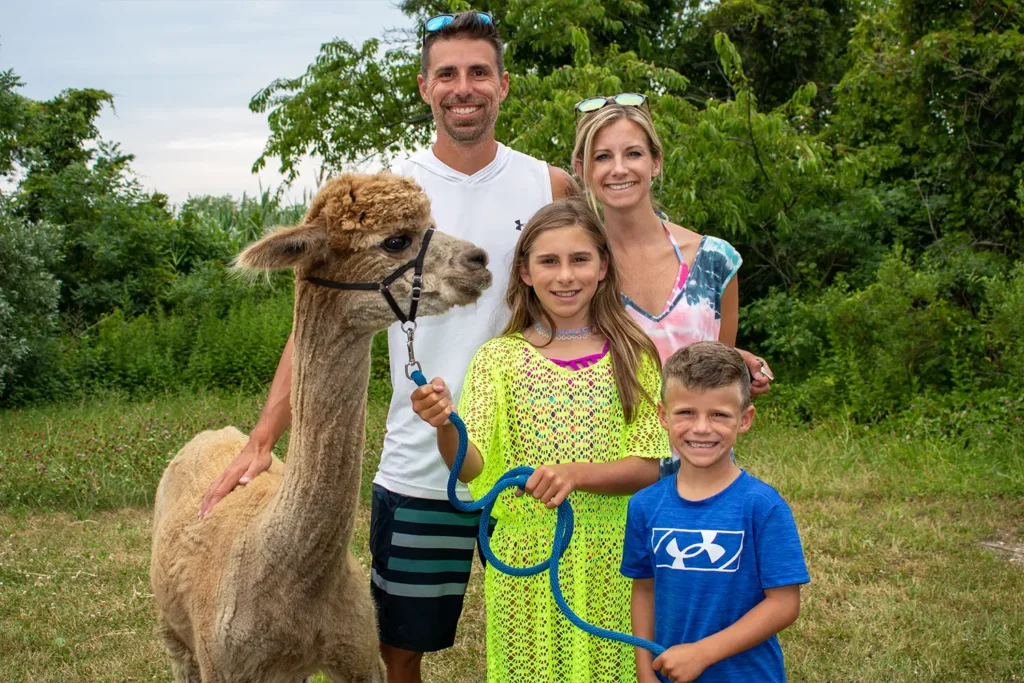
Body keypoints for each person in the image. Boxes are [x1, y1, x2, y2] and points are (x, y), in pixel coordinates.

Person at [198, 11, 576, 683]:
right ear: (427, 86)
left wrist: (711, 352)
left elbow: (601, 280)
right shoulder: (388, 195)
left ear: (503, 85)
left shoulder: (547, 186)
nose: (465, 87)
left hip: (529, 463)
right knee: (398, 649)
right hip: (418, 464)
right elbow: (318, 315)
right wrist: (263, 434)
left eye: (479, 72)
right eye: (449, 74)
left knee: (546, 639)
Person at [411, 198, 667, 683]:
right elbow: (471, 466)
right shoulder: (498, 359)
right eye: (548, 261)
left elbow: (648, 467)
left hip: (613, 552)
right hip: (523, 553)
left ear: (603, 267)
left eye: (579, 259)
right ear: (525, 272)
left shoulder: (633, 354)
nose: (565, 276)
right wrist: (446, 424)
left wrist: (575, 475)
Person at [621, 341, 809, 683]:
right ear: (664, 415)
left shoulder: (763, 507)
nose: (702, 428)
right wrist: (645, 673)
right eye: (686, 412)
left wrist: (703, 653)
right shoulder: (644, 506)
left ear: (745, 419)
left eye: (719, 415)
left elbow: (784, 604)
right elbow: (644, 590)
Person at [570, 94, 774, 389]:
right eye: (603, 157)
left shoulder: (715, 261)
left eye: (633, 154)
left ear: (656, 162)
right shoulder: (573, 268)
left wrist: (740, 369)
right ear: (582, 171)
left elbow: (720, 379)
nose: (619, 169)